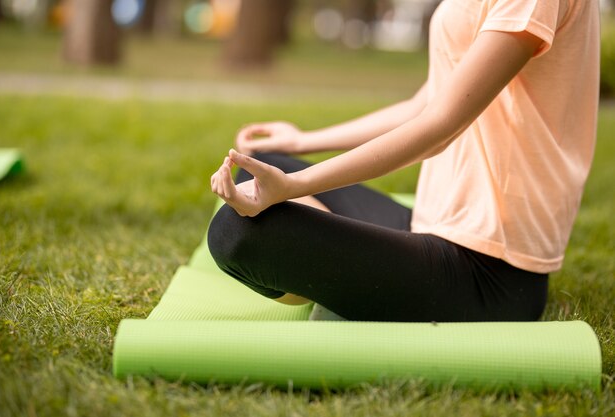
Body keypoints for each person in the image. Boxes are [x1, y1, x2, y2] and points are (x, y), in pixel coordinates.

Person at [207, 0, 600, 322]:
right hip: (431, 224)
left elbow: (440, 126)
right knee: (264, 163)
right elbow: (426, 103)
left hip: (490, 272)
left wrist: (295, 188)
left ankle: (330, 281)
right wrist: (303, 140)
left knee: (235, 234)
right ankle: (339, 277)